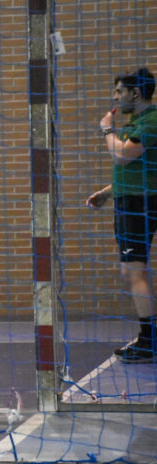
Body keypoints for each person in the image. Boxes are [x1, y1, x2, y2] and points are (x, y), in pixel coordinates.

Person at [86, 67, 157, 363]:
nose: (115, 97)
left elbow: (122, 155)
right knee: (131, 271)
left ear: (135, 93)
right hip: (129, 201)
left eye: (119, 92)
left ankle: (148, 341)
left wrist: (107, 129)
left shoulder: (151, 120)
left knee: (135, 271)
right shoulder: (138, 121)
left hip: (139, 206)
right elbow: (135, 172)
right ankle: (148, 337)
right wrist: (107, 192)